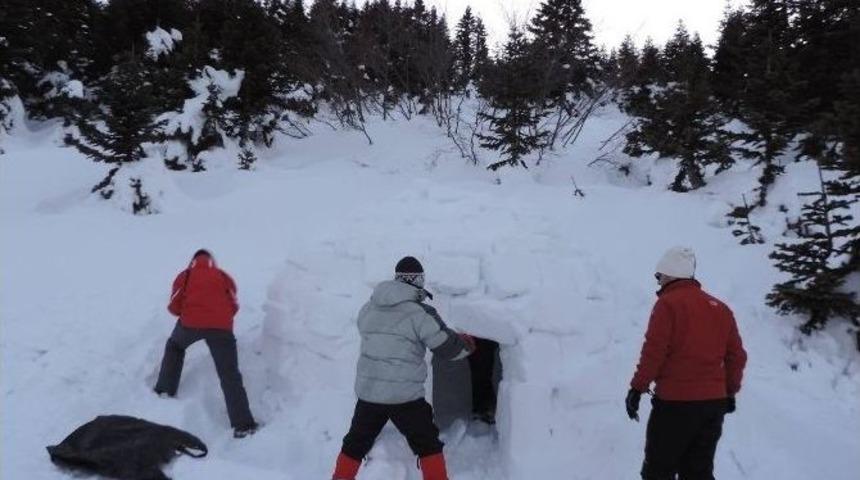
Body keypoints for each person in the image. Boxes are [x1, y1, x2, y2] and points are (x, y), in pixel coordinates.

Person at [332, 256, 476, 480]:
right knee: (428, 443)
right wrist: (466, 344)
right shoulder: (419, 313)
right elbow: (446, 348)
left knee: (354, 443)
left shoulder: (368, 308)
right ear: (418, 281)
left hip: (370, 393)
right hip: (405, 398)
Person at [626, 246, 747, 480]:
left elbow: (654, 351)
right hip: (713, 406)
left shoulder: (668, 305)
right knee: (698, 472)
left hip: (675, 405)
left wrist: (637, 388)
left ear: (670, 273)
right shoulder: (721, 309)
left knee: (658, 471)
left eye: (658, 276)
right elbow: (737, 356)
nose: (658, 281)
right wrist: (729, 392)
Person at [154, 249, 258, 439]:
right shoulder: (223, 276)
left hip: (190, 324)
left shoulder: (185, 276)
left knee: (175, 346)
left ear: (193, 261)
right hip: (221, 329)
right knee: (229, 374)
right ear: (212, 261)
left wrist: (189, 314)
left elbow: (173, 305)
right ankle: (243, 425)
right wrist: (219, 320)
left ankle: (165, 389)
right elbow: (233, 304)